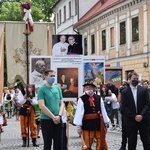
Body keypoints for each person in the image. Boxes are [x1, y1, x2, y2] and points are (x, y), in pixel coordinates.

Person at [73, 83, 109, 150]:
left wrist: (106, 122)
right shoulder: (82, 99)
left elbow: (103, 110)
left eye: (90, 88)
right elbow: (79, 113)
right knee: (87, 145)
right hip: (87, 125)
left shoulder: (99, 98)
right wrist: (79, 126)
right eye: (87, 88)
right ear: (84, 89)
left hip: (98, 124)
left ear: (94, 89)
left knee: (101, 143)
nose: (89, 89)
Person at [121, 71, 149, 150]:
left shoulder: (143, 90)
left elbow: (147, 104)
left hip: (143, 120)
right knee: (132, 142)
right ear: (129, 79)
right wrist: (134, 116)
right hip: (131, 120)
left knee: (146, 141)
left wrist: (141, 115)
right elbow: (124, 107)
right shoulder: (125, 92)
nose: (135, 80)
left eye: (137, 78)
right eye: (134, 79)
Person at [37, 69, 64, 150]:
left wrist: (59, 115)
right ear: (46, 77)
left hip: (58, 119)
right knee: (47, 144)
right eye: (51, 76)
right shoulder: (42, 89)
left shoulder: (57, 88)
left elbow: (62, 103)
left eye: (54, 76)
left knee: (59, 144)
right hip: (46, 120)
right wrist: (53, 117)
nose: (53, 78)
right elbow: (41, 106)